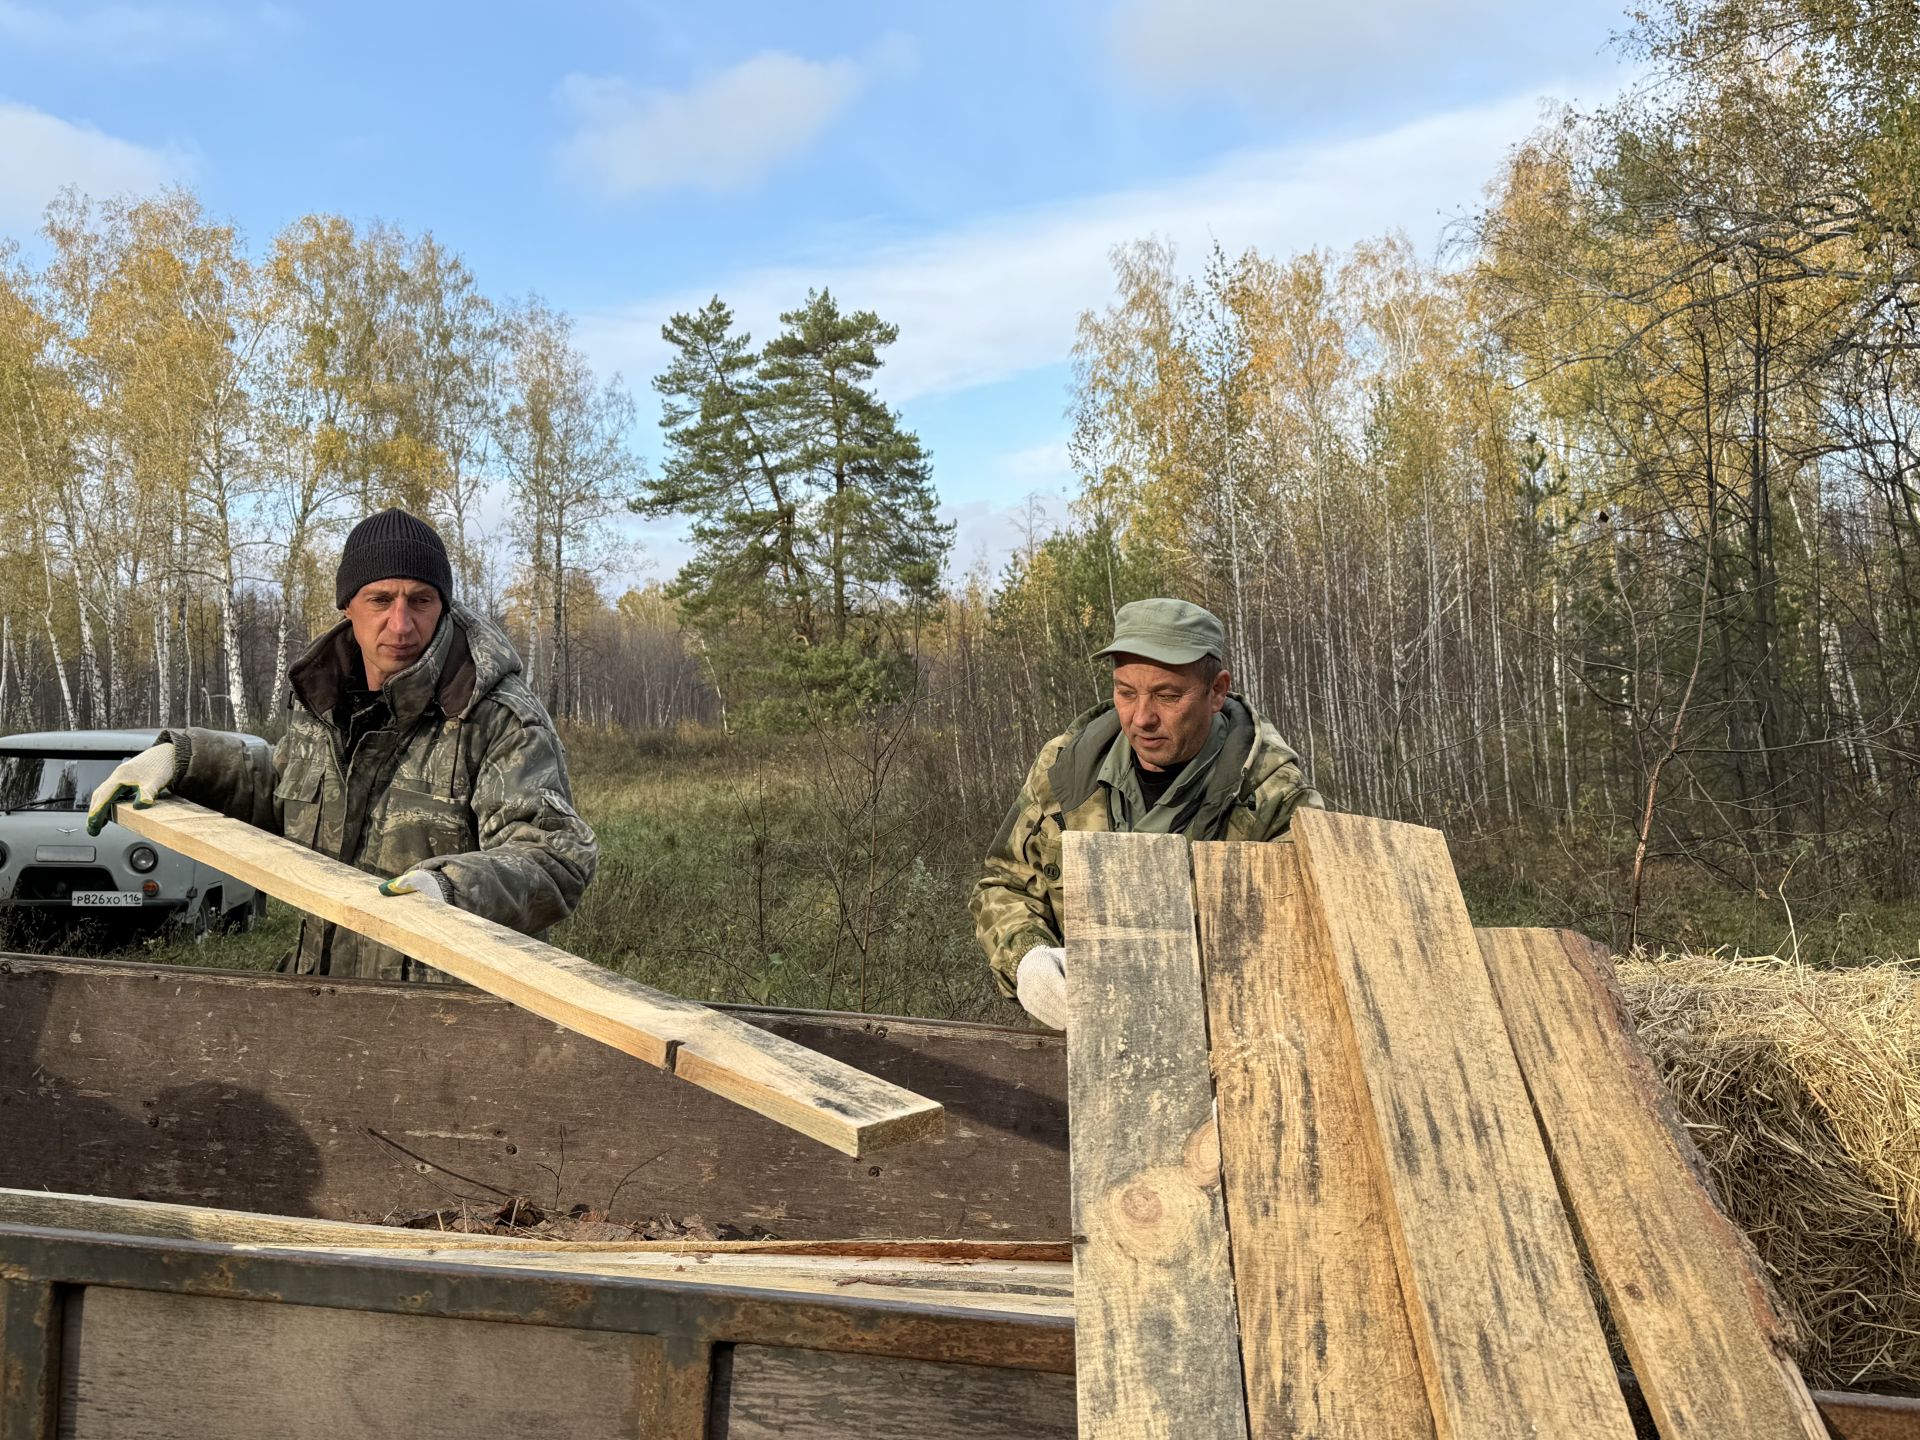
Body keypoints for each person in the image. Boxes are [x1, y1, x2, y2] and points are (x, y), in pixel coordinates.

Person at [87, 508, 598, 981]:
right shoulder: (324, 703)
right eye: (381, 600)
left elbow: (554, 857)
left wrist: (449, 890)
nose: (401, 624)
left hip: (448, 1015)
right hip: (324, 996)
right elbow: (281, 795)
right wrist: (182, 758)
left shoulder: (495, 716)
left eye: (420, 600)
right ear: (348, 605)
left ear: (443, 606)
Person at [971, 598, 1323, 1030]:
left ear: (1216, 691)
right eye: (1125, 692)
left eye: (1167, 695)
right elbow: (1005, 883)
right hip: (1076, 1051)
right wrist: (1028, 958)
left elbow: (1304, 949)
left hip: (1218, 1051)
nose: (1141, 718)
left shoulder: (1273, 798)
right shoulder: (1066, 770)